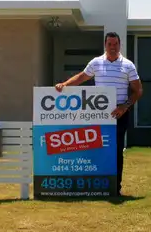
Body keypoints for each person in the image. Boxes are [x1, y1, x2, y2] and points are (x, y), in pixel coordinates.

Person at [55, 32, 143, 195]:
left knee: (116, 150)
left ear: (119, 45)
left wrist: (124, 107)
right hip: (98, 114)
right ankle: (98, 185)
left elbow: (138, 91)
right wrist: (64, 84)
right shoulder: (96, 63)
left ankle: (115, 188)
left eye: (115, 44)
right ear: (105, 45)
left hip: (119, 113)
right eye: (109, 44)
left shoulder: (128, 65)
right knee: (97, 148)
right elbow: (82, 77)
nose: (112, 47)